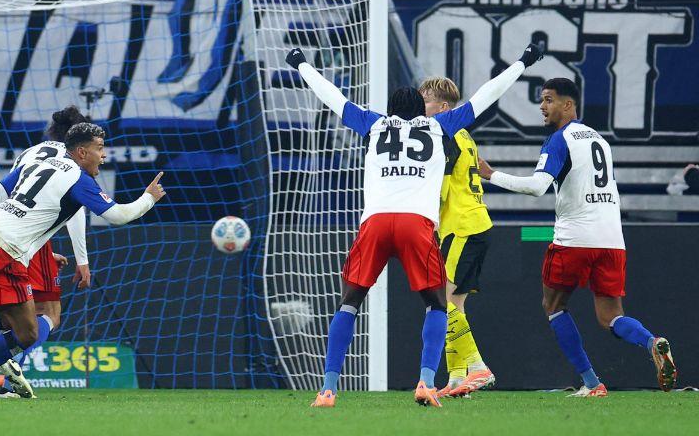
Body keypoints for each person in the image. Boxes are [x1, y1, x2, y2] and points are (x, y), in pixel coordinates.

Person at [289, 41, 543, 408]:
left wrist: (302, 65)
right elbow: (487, 96)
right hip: (417, 224)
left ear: (391, 110)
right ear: (419, 110)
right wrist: (522, 62)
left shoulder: (374, 124)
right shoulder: (440, 126)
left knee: (350, 303)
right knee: (437, 304)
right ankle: (425, 381)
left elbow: (333, 98)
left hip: (376, 222)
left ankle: (328, 389)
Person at [0, 122, 165, 401]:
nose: (104, 155)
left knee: (10, 324)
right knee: (29, 332)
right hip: (5, 251)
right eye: (100, 148)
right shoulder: (79, 179)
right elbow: (118, 216)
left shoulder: (35, 164)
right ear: (82, 152)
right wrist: (149, 198)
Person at [479, 78, 677, 396]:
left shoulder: (560, 140)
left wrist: (491, 174)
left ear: (568, 104)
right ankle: (652, 341)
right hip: (612, 241)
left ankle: (591, 382)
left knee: (553, 304)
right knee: (611, 316)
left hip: (574, 239)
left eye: (548, 100)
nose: (542, 107)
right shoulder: (600, 140)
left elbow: (537, 187)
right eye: (542, 100)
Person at [0, 106, 94, 399]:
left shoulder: (29, 153)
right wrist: (82, 259)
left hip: (2, 235)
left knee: (12, 320)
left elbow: (2, 194)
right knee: (48, 315)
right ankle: (7, 372)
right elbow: (75, 210)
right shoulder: (70, 160)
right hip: (27, 240)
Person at [418, 77, 495, 397]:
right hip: (476, 224)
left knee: (442, 303)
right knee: (455, 304)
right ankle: (456, 376)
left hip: (461, 227)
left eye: (426, 102)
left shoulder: (445, 136)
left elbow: (442, 187)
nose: (421, 107)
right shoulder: (463, 134)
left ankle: (478, 367)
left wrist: (428, 222)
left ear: (443, 107)